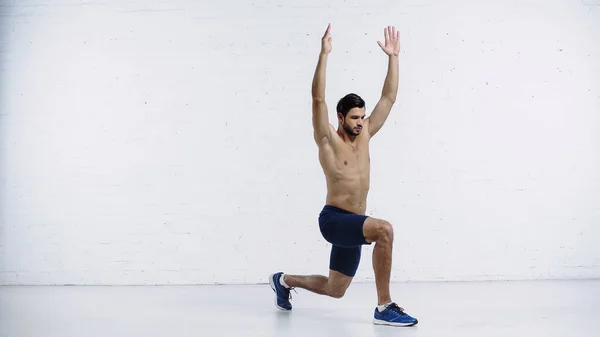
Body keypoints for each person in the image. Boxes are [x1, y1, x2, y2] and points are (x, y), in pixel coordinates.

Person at [269, 23, 418, 327]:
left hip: (353, 223)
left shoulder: (365, 135)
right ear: (340, 118)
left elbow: (388, 98)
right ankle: (384, 306)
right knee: (384, 231)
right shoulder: (328, 140)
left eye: (363, 116)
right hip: (335, 220)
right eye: (355, 117)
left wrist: (393, 58)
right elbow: (318, 100)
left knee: (335, 289)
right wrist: (323, 55)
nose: (361, 122)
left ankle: (283, 280)